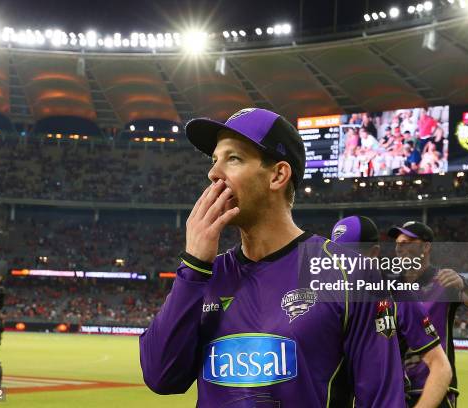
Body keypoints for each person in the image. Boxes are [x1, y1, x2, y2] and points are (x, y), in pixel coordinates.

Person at [139, 108, 405, 407]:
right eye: (214, 160)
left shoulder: (348, 272)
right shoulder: (204, 276)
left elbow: (384, 399)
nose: (213, 173)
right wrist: (194, 266)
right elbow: (160, 376)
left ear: (278, 175)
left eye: (233, 158)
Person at [332, 216, 452, 408]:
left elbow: (441, 366)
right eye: (335, 255)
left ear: (373, 253)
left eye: (351, 255)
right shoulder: (324, 298)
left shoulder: (396, 294)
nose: (342, 263)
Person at [388, 221, 468, 407]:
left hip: (436, 388)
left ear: (426, 246)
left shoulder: (445, 281)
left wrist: (465, 284)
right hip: (396, 389)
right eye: (398, 242)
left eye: (408, 242)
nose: (400, 246)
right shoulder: (390, 285)